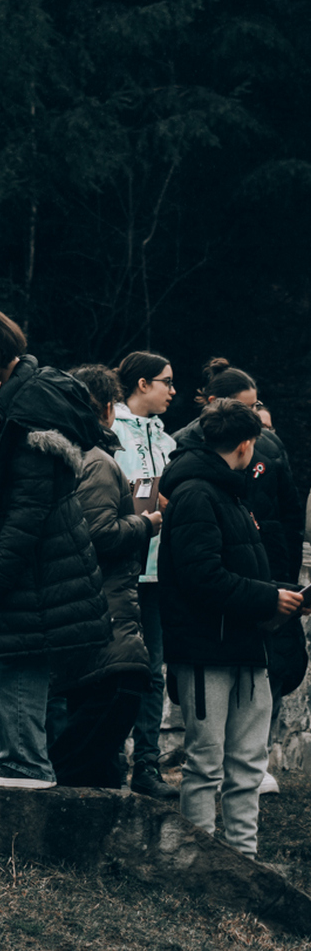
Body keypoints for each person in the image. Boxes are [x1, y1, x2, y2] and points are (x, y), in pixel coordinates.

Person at [0, 302, 109, 790]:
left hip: (30, 565)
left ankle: (26, 763)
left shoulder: (30, 404)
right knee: (13, 659)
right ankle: (18, 756)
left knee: (14, 661)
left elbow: (28, 507)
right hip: (33, 562)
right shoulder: (18, 395)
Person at [158, 398, 303, 854]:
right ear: (246, 445)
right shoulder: (197, 494)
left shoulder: (229, 493)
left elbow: (237, 568)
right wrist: (268, 597)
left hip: (247, 647)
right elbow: (202, 577)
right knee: (205, 764)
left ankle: (244, 859)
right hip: (207, 652)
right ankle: (197, 862)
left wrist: (283, 596)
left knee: (247, 763)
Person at [182, 360, 305, 798]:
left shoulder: (269, 448)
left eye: (257, 407)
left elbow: (289, 514)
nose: (254, 417)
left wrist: (284, 580)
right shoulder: (190, 465)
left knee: (276, 666)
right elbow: (200, 567)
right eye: (246, 408)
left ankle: (257, 759)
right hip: (220, 605)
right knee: (208, 734)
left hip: (267, 577)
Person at [48, 365, 156, 787]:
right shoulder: (97, 462)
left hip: (91, 611)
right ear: (108, 409)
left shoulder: (74, 457)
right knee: (120, 694)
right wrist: (147, 523)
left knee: (97, 732)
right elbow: (97, 535)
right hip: (105, 607)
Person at [111, 350, 180, 796]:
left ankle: (148, 768)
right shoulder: (111, 430)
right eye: (166, 382)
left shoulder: (167, 441)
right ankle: (108, 757)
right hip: (118, 568)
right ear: (141, 384)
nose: (173, 391)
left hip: (158, 573)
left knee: (154, 671)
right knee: (115, 667)